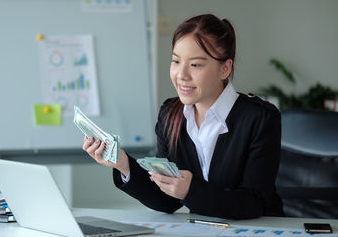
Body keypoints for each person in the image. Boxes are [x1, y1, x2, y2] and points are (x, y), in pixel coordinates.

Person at [82, 14, 284, 219]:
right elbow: (166, 200)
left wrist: (191, 191)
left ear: (225, 68)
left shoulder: (260, 118)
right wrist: (123, 164)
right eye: (176, 61)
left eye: (195, 65)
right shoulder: (170, 114)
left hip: (261, 232)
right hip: (206, 232)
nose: (181, 75)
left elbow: (254, 203)